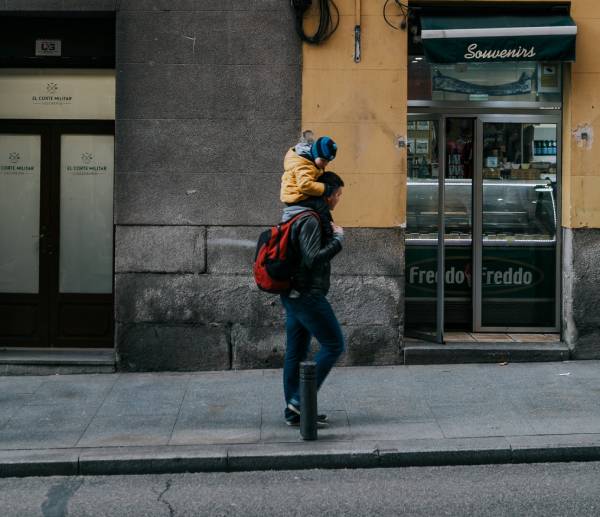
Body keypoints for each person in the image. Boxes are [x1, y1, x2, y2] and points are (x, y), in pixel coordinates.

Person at [279, 171, 345, 427]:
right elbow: (312, 258)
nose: (339, 199)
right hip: (306, 294)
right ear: (327, 195)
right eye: (338, 194)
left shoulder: (300, 213)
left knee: (296, 352)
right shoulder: (311, 219)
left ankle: (294, 410)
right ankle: (298, 402)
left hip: (294, 293)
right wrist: (338, 240)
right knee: (334, 344)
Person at [280, 132, 338, 206]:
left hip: (300, 194)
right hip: (295, 197)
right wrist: (325, 189)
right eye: (323, 160)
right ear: (315, 153)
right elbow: (305, 185)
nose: (325, 164)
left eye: (328, 161)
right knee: (321, 207)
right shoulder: (305, 165)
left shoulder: (313, 161)